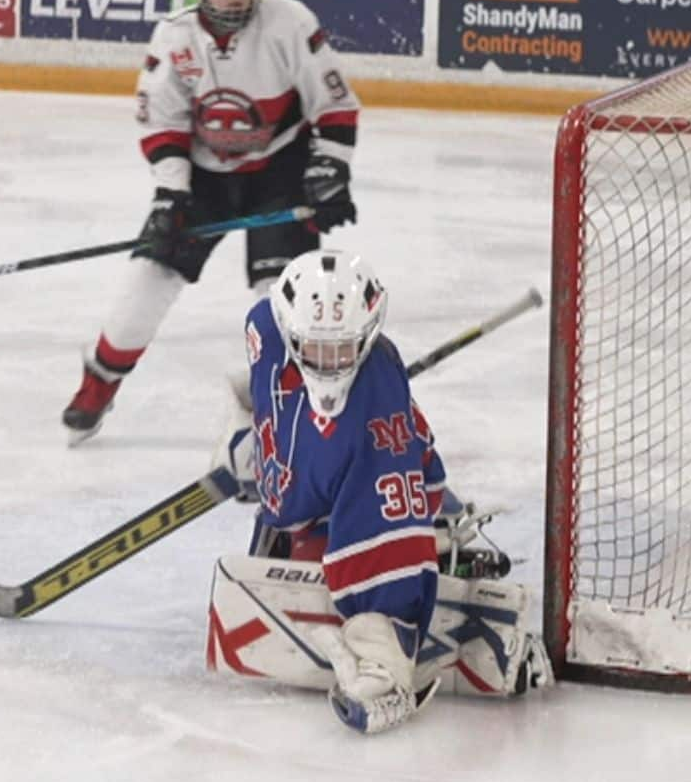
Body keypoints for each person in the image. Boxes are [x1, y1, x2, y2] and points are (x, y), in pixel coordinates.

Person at [203, 249, 551, 734]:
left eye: (343, 350)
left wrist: (386, 630)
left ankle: (386, 644)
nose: (329, 365)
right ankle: (430, 534)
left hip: (354, 503)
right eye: (316, 349)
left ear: (367, 334)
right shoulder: (265, 324)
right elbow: (269, 384)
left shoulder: (372, 407)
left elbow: (395, 486)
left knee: (370, 500)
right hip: (313, 487)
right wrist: (254, 428)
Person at [61, 0, 361, 444]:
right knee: (148, 281)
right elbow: (162, 120)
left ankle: (278, 406)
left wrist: (329, 172)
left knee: (283, 299)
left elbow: (333, 103)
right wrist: (171, 192)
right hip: (203, 180)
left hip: (280, 173)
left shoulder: (290, 23)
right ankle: (99, 383)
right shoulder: (174, 36)